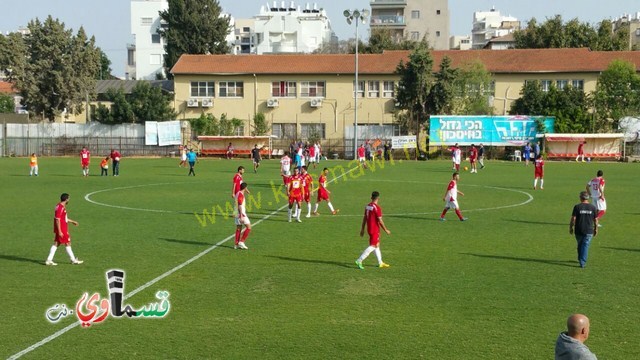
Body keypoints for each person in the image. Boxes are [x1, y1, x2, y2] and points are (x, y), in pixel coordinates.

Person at [355, 191, 391, 270]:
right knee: (373, 246)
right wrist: (386, 230)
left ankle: (380, 262)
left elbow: (365, 218)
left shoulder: (367, 206)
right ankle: (359, 260)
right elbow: (380, 221)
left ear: (371, 197)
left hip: (369, 229)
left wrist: (362, 229)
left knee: (377, 245)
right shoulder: (377, 208)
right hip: (375, 229)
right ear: (378, 198)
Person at [45, 193, 83, 266]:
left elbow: (63, 218)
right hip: (62, 229)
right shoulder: (60, 208)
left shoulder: (59, 206)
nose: (69, 200)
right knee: (67, 243)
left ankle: (49, 260)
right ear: (66, 199)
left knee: (57, 243)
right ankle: (73, 260)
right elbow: (57, 220)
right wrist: (59, 231)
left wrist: (72, 221)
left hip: (61, 228)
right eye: (69, 198)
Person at [570, 191, 598, 268]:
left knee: (580, 244)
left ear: (581, 198)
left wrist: (571, 227)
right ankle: (582, 262)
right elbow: (596, 220)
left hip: (579, 230)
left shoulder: (577, 207)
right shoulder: (593, 207)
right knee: (585, 245)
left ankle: (580, 258)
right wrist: (596, 229)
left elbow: (573, 219)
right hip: (589, 230)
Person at [233, 183, 251, 250]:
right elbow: (240, 205)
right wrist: (241, 215)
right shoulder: (241, 194)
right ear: (245, 188)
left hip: (236, 213)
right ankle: (242, 242)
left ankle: (236, 244)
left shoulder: (238, 193)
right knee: (249, 227)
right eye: (246, 188)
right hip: (241, 213)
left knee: (238, 228)